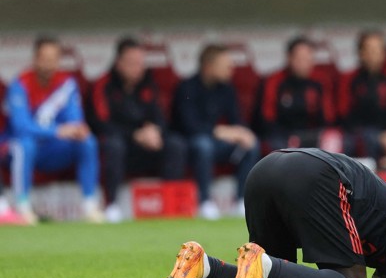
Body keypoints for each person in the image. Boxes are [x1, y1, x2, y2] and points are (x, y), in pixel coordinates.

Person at [161, 148, 386, 278]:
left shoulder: (378, 244)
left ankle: (203, 266)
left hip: (263, 171)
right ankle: (265, 265)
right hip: (315, 174)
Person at [5, 36, 101, 224]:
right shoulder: (20, 84)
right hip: (19, 148)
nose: (49, 64)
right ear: (35, 59)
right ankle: (22, 207)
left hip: (53, 149)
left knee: (87, 142)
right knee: (25, 145)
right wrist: (57, 131)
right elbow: (21, 127)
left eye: (53, 59)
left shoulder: (66, 84)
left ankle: (90, 206)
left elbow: (74, 119)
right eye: (44, 59)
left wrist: (77, 129)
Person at [89, 37, 187, 223]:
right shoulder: (103, 85)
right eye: (132, 63)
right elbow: (101, 123)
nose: (137, 68)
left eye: (140, 63)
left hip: (146, 146)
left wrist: (155, 131)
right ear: (118, 63)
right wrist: (135, 135)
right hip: (120, 146)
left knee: (175, 144)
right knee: (113, 145)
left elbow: (160, 117)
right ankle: (111, 205)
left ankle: (171, 204)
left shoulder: (148, 84)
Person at [170, 44, 259, 220]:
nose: (230, 70)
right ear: (209, 66)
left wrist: (243, 133)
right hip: (188, 145)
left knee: (250, 145)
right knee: (203, 145)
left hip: (217, 145)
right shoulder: (187, 87)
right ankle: (204, 202)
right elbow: (190, 126)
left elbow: (237, 121)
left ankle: (241, 201)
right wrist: (220, 131)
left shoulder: (227, 89)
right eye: (225, 65)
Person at [337, 30, 386, 163]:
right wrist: (380, 136)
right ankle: (372, 182)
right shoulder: (349, 80)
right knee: (369, 138)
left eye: (378, 50)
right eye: (370, 50)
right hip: (360, 134)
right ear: (360, 54)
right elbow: (344, 116)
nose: (374, 55)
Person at [259, 37, 333, 151]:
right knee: (279, 145)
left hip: (313, 134)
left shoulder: (320, 81)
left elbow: (328, 117)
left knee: (333, 140)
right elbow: (268, 118)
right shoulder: (274, 81)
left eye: (307, 59)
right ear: (289, 58)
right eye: (299, 59)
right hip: (283, 135)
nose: (303, 64)